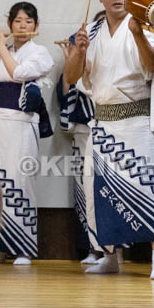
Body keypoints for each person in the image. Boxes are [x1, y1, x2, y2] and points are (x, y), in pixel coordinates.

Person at [63, 0, 154, 280]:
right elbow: (71, 77)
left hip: (137, 120)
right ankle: (110, 257)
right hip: (102, 123)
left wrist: (136, 34)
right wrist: (78, 52)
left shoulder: (147, 26)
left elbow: (153, 65)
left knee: (148, 185)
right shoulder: (90, 32)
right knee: (100, 192)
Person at [0, 2, 54, 266]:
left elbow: (18, 73)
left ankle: (23, 249)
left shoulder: (40, 53)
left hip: (22, 122)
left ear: (37, 25)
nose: (23, 26)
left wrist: (1, 46)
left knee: (21, 179)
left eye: (28, 21)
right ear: (10, 24)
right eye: (18, 21)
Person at [56, 28, 103, 265]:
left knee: (109, 188)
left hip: (112, 129)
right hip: (84, 130)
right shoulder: (80, 62)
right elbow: (66, 94)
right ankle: (91, 248)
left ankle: (116, 249)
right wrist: (71, 62)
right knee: (85, 190)